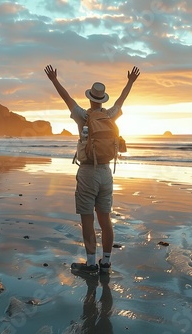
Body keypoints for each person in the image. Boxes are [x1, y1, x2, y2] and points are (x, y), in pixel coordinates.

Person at [44, 64, 140, 274]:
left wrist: (54, 80)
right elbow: (121, 101)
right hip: (107, 172)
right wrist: (130, 82)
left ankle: (90, 265)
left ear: (90, 98)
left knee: (87, 218)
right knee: (105, 219)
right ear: (102, 99)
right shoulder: (110, 115)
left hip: (88, 171)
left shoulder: (82, 115)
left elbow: (66, 98)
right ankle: (105, 263)